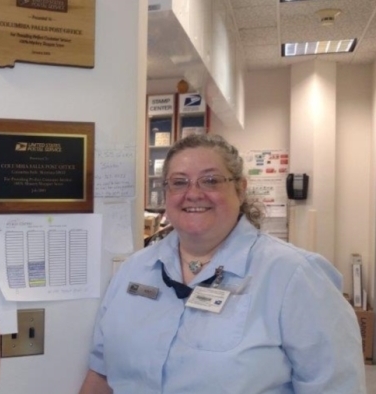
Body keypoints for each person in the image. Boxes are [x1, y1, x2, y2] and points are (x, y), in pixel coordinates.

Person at [79, 134, 366, 393]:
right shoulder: (134, 270)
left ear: (240, 189)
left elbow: (335, 387)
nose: (193, 193)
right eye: (179, 182)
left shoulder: (295, 276)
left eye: (211, 180)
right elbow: (101, 374)